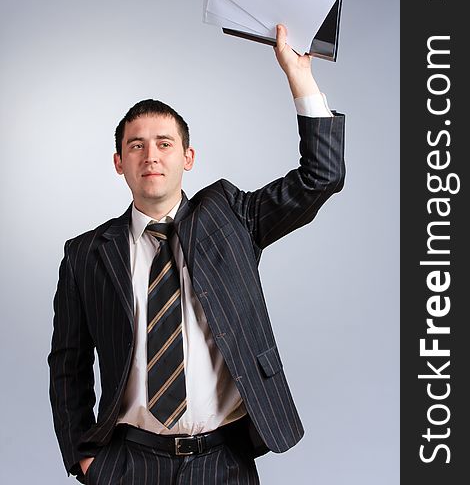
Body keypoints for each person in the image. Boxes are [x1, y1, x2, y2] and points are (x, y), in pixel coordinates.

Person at [48, 24, 345, 484]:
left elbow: (320, 176)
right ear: (118, 163)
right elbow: (67, 366)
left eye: (164, 144)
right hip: (128, 464)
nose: (151, 155)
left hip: (222, 461)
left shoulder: (231, 216)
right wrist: (84, 460)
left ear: (188, 157)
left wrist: (299, 75)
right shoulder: (86, 254)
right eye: (136, 145)